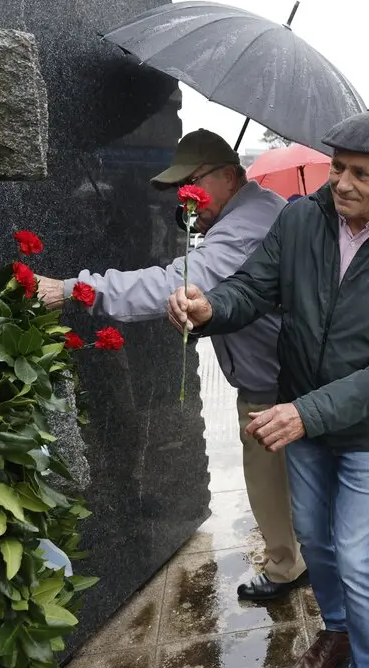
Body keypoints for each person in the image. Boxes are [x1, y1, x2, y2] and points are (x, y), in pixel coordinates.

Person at [166, 111, 369, 668]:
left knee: (357, 554)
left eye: (361, 174)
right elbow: (253, 289)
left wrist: (303, 413)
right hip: (303, 417)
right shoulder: (299, 220)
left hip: (368, 429)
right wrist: (210, 307)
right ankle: (338, 632)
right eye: (338, 168)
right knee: (316, 543)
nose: (342, 183)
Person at [34, 129, 306, 602]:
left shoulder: (250, 222)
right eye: (181, 189)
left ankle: (288, 568)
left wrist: (76, 288)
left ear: (229, 176)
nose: (187, 199)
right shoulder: (251, 211)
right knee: (292, 480)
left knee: (268, 482)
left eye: (194, 183)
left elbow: (179, 283)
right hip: (278, 371)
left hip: (271, 381)